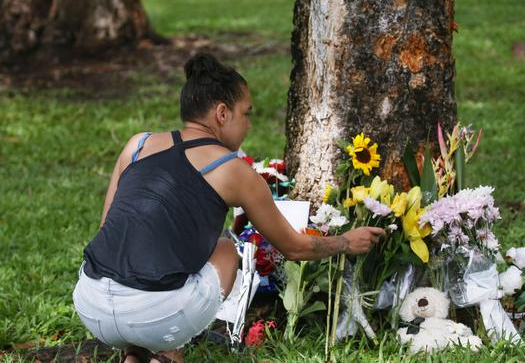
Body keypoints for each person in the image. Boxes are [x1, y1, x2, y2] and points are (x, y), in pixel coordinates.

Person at [72, 52, 385, 363]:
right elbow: (295, 248)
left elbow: (107, 229)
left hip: (91, 303)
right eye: (245, 113)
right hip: (153, 317)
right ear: (222, 113)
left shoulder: (137, 144)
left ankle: (133, 354)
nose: (248, 124)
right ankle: (165, 354)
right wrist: (346, 241)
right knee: (224, 249)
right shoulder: (232, 170)